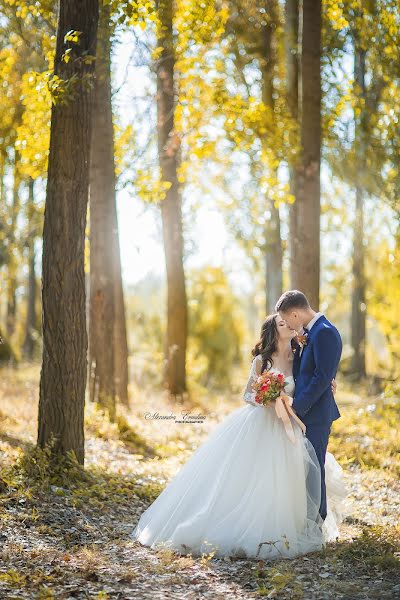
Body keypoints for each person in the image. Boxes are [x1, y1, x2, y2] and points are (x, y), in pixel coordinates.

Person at [132, 312, 347, 560]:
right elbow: (248, 395)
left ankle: (293, 525)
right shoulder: (262, 361)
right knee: (254, 476)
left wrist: (330, 384)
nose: (287, 325)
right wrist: (267, 398)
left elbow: (315, 375)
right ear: (273, 330)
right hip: (262, 423)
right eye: (281, 323)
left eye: (287, 322)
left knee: (291, 476)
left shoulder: (299, 354)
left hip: (290, 425)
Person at [275, 290, 343, 522]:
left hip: (315, 414)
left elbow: (322, 377)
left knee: (315, 468)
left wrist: (297, 406)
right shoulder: (308, 334)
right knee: (304, 469)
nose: (290, 327)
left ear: (295, 314)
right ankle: (304, 520)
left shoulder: (325, 332)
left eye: (288, 320)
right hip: (304, 412)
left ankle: (317, 523)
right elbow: (308, 372)